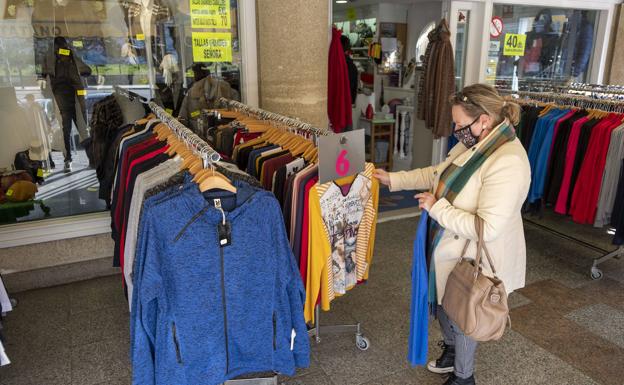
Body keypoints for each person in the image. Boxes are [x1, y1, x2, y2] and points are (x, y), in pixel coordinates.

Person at [374, 84, 531, 385]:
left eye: (459, 124)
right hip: (449, 243)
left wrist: (438, 209)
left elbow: (488, 227)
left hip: (477, 256)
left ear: (483, 119)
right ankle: (451, 350)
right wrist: (392, 179)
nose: (456, 130)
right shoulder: (476, 144)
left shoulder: (508, 160)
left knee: (463, 312)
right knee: (444, 304)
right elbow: (437, 174)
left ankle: (464, 376)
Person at [38, 36, 92, 172]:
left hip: (62, 99)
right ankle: (89, 158)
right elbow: (85, 69)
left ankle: (69, 160)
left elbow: (43, 75)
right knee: (81, 129)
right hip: (71, 97)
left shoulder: (50, 57)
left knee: (67, 131)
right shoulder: (68, 54)